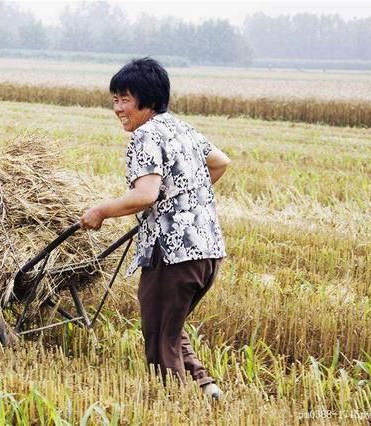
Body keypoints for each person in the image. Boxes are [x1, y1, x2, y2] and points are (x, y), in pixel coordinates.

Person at [79, 57, 230, 400]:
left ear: (148, 100)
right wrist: (183, 201)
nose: (117, 108)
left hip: (174, 255)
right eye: (114, 99)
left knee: (160, 337)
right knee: (171, 328)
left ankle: (175, 407)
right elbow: (221, 162)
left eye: (125, 100)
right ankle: (205, 388)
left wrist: (100, 211)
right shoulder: (181, 128)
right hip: (207, 253)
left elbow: (145, 195)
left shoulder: (145, 136)